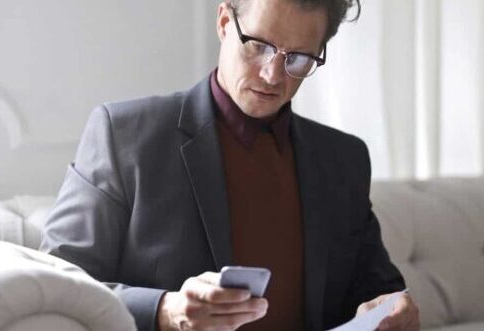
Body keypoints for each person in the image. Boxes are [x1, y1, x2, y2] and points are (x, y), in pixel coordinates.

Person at [40, 0, 420, 330]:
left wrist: (393, 308)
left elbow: (379, 289)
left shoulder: (344, 160)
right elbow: (55, 284)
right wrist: (164, 311)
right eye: (258, 46)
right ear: (224, 22)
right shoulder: (125, 135)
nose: (273, 75)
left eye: (299, 58)